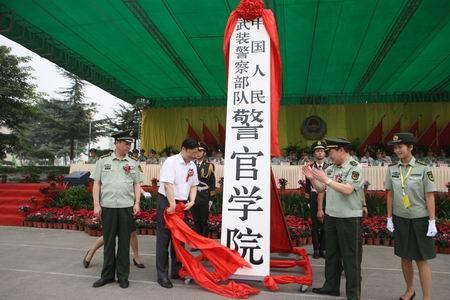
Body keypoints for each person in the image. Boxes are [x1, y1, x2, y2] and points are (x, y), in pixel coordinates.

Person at [303, 138, 365, 300]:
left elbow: (348, 189)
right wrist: (311, 178)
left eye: (331, 152)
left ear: (342, 150)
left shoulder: (354, 167)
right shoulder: (332, 168)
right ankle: (331, 286)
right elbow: (321, 188)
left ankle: (353, 293)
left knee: (351, 257)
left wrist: (326, 180)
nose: (329, 156)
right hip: (332, 216)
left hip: (349, 218)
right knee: (332, 254)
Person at [385, 132, 437, 300]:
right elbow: (390, 194)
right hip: (401, 219)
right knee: (405, 257)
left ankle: (427, 297)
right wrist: (389, 217)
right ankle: (409, 290)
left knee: (421, 260)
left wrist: (432, 221)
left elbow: (429, 195)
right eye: (395, 147)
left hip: (420, 219)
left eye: (400, 147)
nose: (397, 150)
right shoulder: (392, 169)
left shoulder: (423, 168)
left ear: (410, 147)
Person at [90, 129, 143, 289]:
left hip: (126, 207)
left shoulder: (133, 162)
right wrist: (97, 205)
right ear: (117, 143)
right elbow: (96, 183)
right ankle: (106, 276)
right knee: (109, 243)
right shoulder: (103, 161)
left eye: (129, 144)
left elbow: (137, 184)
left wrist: (137, 203)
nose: (128, 146)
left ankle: (123, 276)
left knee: (124, 244)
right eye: (125, 143)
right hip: (108, 207)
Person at [156, 138, 199, 288]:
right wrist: (172, 204)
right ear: (184, 149)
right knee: (164, 239)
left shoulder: (192, 165)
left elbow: (194, 185)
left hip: (181, 205)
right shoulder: (171, 162)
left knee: (179, 240)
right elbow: (167, 184)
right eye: (193, 153)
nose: (195, 155)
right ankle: (162, 275)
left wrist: (192, 201)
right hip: (167, 203)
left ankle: (176, 270)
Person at [83, 189, 152, 269]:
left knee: (132, 232)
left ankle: (136, 258)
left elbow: (135, 182)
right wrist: (97, 204)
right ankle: (91, 252)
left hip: (126, 205)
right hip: (111, 204)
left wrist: (144, 193)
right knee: (109, 234)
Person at [304, 140, 330, 259]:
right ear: (314, 154)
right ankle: (316, 248)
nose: (319, 153)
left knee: (325, 223)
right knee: (314, 224)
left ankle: (324, 248)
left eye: (321, 151)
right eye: (317, 151)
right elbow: (307, 185)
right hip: (314, 196)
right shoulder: (310, 167)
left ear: (325, 153)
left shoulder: (329, 167)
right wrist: (308, 199)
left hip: (327, 196)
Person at [192, 142, 216, 238]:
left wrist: (211, 200)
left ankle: (204, 242)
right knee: (196, 221)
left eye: (200, 151)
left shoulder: (209, 166)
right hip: (193, 196)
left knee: (203, 221)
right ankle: (197, 242)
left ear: (204, 153)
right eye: (197, 151)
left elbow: (212, 184)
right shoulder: (191, 164)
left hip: (204, 196)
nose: (198, 153)